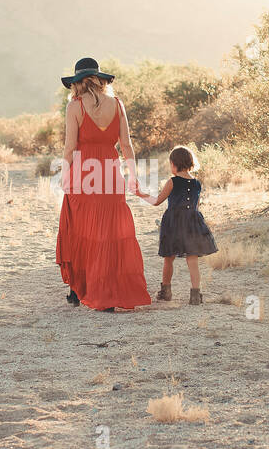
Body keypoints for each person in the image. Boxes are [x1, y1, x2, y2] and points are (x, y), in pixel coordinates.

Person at [54, 58, 151, 312]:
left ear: (77, 83)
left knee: (79, 228)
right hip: (110, 173)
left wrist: (65, 175)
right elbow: (126, 145)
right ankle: (107, 292)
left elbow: (69, 147)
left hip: (84, 173)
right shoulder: (117, 104)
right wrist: (133, 176)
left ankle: (79, 291)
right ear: (100, 79)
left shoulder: (75, 107)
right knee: (108, 233)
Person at [135, 146, 218, 304]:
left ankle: (166, 291)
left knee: (169, 258)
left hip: (173, 223)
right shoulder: (197, 183)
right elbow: (196, 206)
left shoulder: (172, 182)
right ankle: (195, 295)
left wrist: (141, 194)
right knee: (192, 259)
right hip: (192, 223)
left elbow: (158, 201)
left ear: (174, 163)